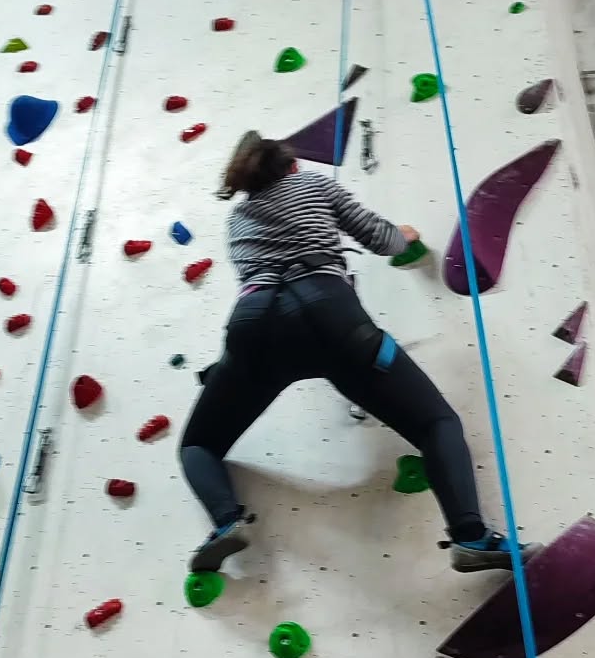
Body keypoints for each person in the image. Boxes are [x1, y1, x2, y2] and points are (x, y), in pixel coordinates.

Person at [179, 131, 533, 574]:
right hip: (332, 318)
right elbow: (379, 238)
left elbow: (266, 271)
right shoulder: (314, 184)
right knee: (436, 423)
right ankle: (471, 538)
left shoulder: (238, 219)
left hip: (253, 325)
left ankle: (226, 522)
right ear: (292, 167)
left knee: (198, 443)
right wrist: (403, 238)